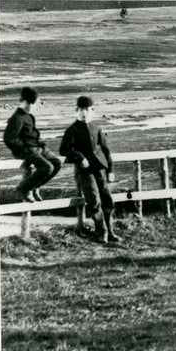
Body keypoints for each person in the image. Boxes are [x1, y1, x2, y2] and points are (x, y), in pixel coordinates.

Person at [59, 95, 120, 243]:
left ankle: (110, 231)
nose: (84, 112)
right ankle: (101, 232)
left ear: (92, 111)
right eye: (81, 109)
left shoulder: (96, 129)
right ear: (76, 111)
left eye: (87, 109)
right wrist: (80, 158)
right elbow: (63, 150)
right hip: (85, 172)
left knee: (107, 199)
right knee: (94, 201)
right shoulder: (72, 130)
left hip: (100, 170)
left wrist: (110, 170)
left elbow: (106, 151)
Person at [3, 86, 61, 203]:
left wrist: (39, 146)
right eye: (35, 104)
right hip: (28, 150)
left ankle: (35, 186)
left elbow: (31, 135)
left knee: (56, 163)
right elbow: (9, 139)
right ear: (27, 103)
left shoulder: (28, 116)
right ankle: (24, 188)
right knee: (47, 167)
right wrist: (25, 149)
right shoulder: (17, 118)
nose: (37, 106)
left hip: (37, 148)